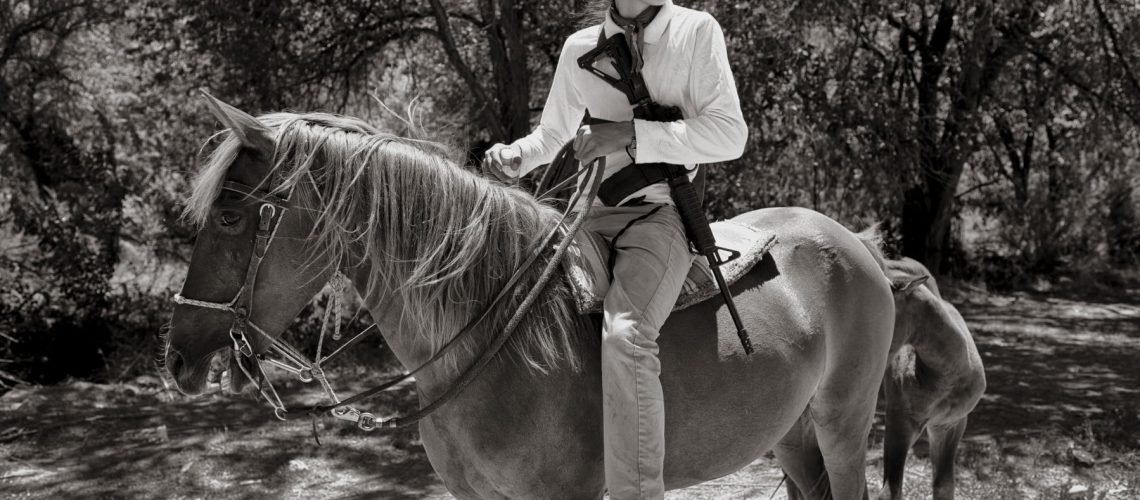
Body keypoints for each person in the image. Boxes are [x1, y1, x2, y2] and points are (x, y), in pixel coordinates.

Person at [482, 1, 746, 498]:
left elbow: (730, 134)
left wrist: (628, 135)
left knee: (627, 336)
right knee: (517, 304)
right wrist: (517, 156)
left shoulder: (695, 31)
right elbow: (553, 135)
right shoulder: (579, 47)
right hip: (586, 215)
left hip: (660, 215)